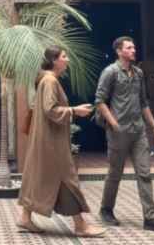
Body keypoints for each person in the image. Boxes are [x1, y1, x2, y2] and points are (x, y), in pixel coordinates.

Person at [18, 46, 106, 238]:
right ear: (54, 60)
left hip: (47, 139)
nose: (67, 60)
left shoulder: (46, 80)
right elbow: (50, 109)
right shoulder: (50, 81)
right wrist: (74, 111)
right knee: (68, 179)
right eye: (64, 57)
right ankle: (81, 225)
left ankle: (26, 217)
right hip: (52, 142)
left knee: (41, 178)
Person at [95, 36, 154, 233]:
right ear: (119, 51)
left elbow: (143, 103)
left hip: (138, 132)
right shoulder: (110, 72)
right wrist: (114, 124)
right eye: (129, 48)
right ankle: (106, 210)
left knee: (144, 173)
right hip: (118, 133)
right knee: (115, 174)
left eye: (134, 47)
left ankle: (151, 218)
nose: (134, 50)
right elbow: (100, 101)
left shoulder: (138, 73)